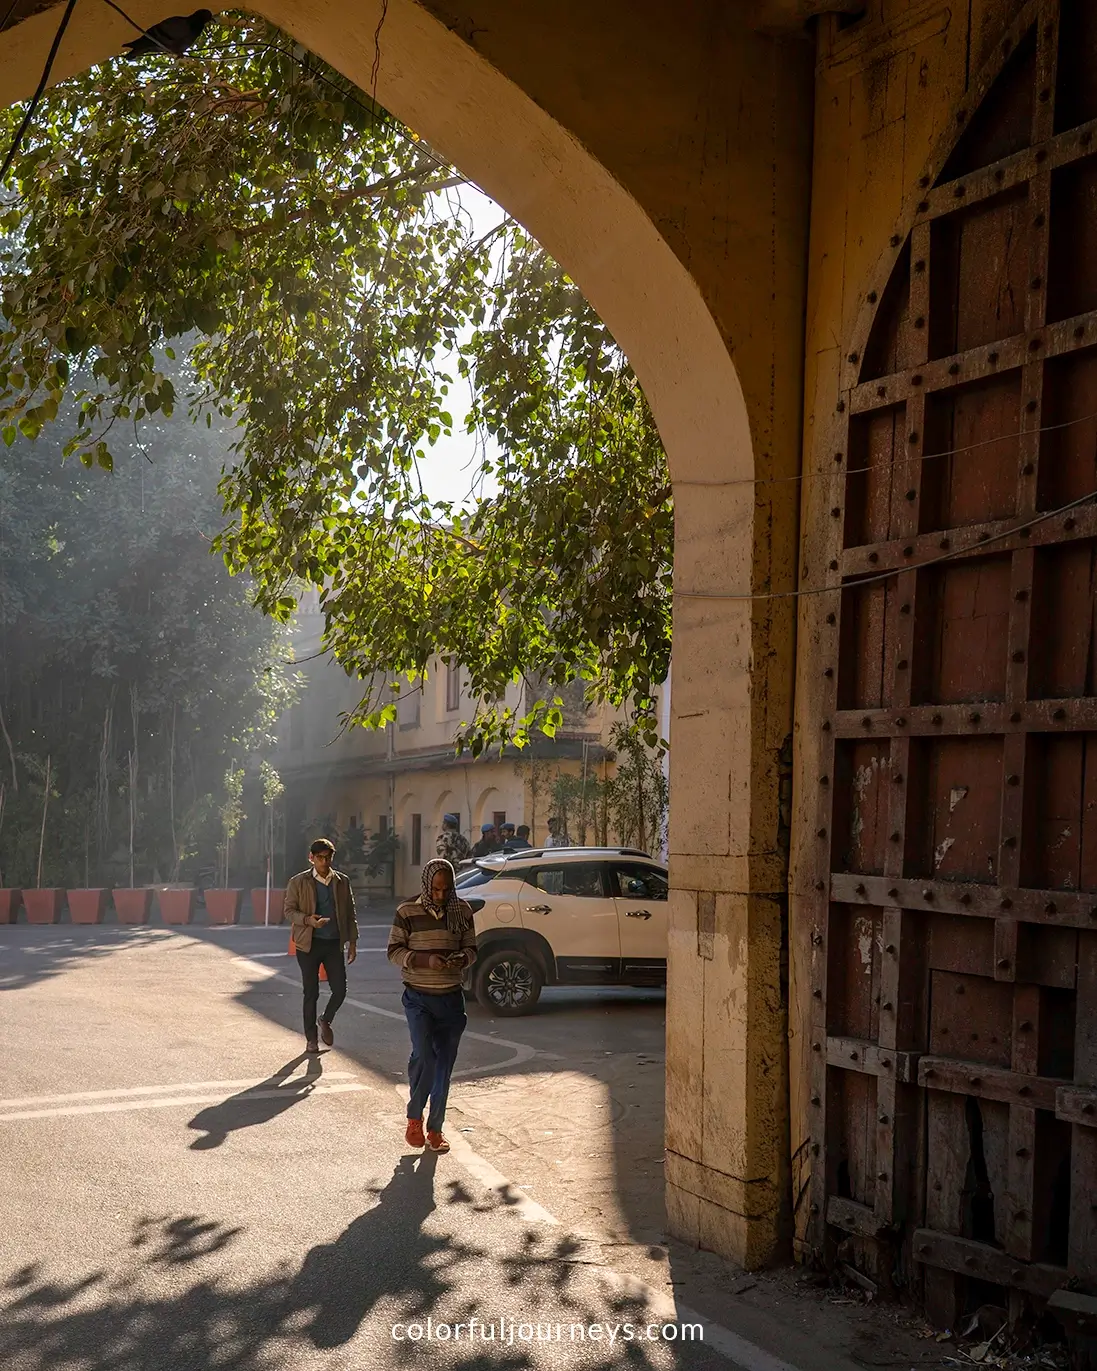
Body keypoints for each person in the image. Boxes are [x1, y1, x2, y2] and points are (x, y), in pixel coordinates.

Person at [387, 858, 477, 1154]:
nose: (440, 895)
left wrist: (461, 959)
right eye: (436, 889)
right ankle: (414, 1117)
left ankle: (435, 1129)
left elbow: (471, 949)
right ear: (426, 885)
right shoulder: (407, 911)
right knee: (423, 1056)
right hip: (418, 998)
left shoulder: (461, 910)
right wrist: (425, 960)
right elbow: (394, 951)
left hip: (451, 999)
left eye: (446, 889)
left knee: (444, 1067)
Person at [285, 838, 358, 1054]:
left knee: (340, 990)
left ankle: (325, 1019)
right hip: (308, 944)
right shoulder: (298, 882)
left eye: (328, 858)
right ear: (312, 858)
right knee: (311, 992)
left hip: (334, 942)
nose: (324, 862)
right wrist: (309, 920)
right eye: (320, 858)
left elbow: (350, 913)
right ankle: (311, 1039)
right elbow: (289, 911)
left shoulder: (341, 881)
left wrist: (352, 943)